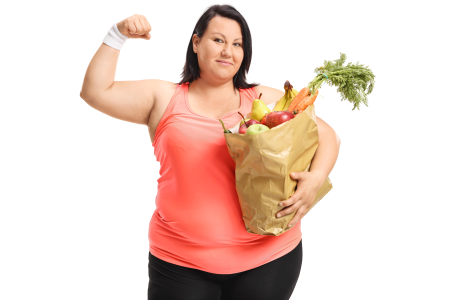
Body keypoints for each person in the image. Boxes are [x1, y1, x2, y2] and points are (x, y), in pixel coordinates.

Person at [79, 2, 340, 300]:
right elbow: (95, 91)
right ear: (196, 42)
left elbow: (325, 133)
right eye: (218, 40)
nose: (228, 51)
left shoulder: (265, 101)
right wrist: (117, 35)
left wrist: (316, 178)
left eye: (237, 44)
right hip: (179, 262)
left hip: (268, 258)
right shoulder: (163, 98)